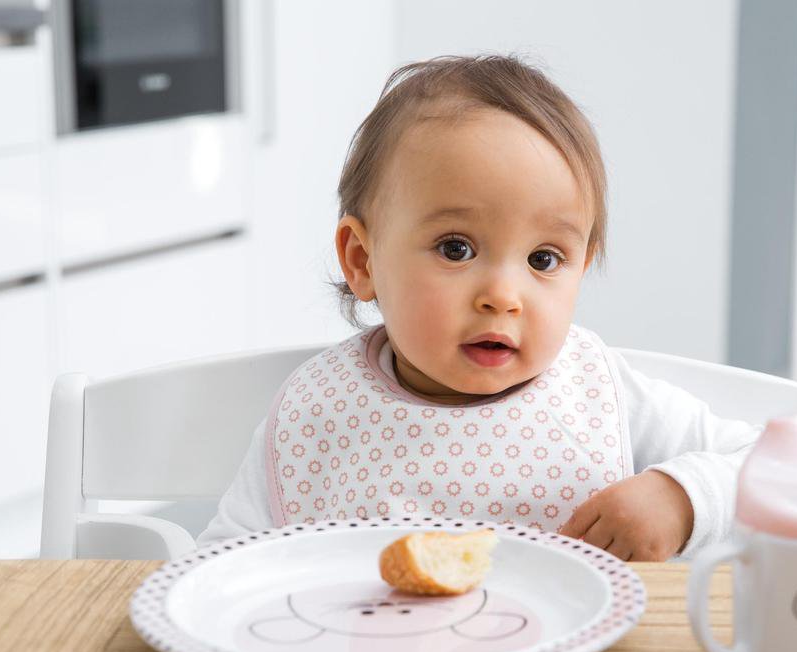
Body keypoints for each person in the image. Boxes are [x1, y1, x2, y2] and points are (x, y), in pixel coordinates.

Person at [199, 54, 759, 561]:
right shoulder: (318, 412)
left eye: (543, 259)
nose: (503, 296)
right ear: (363, 260)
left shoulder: (602, 396)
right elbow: (218, 566)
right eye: (456, 249)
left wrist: (682, 498)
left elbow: (771, 467)